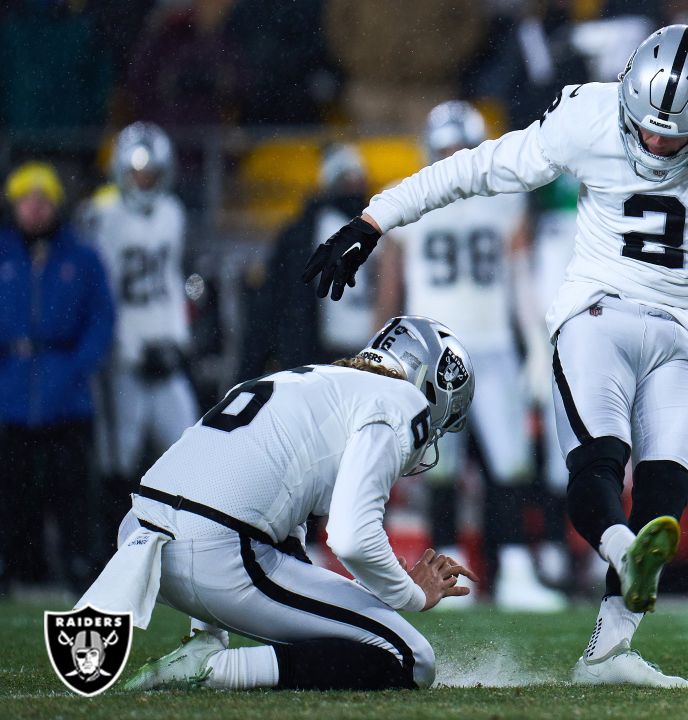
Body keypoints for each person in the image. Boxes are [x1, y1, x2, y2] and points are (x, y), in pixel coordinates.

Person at [302, 24, 688, 686]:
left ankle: (608, 652)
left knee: (665, 493)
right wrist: (375, 220)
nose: (656, 141)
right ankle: (620, 552)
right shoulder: (590, 114)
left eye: (674, 132)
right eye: (646, 125)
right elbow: (478, 167)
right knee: (598, 460)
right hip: (597, 311)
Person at [77, 316, 479, 691]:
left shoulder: (308, 379)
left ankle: (204, 641)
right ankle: (217, 669)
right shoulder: (401, 400)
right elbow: (352, 537)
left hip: (140, 539)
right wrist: (410, 593)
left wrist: (370, 590)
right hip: (218, 555)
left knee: (305, 591)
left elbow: (255, 509)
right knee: (413, 658)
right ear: (428, 389)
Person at [374, 100, 565, 612]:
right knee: (439, 468)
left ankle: (516, 569)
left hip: (494, 347)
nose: (454, 159)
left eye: (461, 149)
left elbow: (521, 281)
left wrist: (536, 344)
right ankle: (448, 573)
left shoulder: (504, 201)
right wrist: (382, 355)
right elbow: (390, 286)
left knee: (511, 462)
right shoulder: (406, 199)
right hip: (431, 352)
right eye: (446, 150)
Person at [0, 161, 115, 593]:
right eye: (25, 201)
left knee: (73, 495)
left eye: (42, 200)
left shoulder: (81, 255)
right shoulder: (4, 253)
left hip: (66, 395)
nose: (34, 209)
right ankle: (12, 569)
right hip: (10, 394)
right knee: (11, 494)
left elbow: (101, 319)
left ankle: (81, 571)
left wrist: (77, 366)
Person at [81, 123, 199, 524]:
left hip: (164, 352)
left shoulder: (173, 213)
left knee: (191, 444)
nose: (144, 181)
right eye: (137, 173)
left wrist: (177, 341)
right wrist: (127, 349)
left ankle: (187, 538)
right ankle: (111, 548)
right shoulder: (102, 215)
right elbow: (101, 292)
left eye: (151, 174)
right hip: (121, 357)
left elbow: (170, 281)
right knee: (118, 456)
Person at [239, 144, 376, 379]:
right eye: (345, 179)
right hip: (325, 352)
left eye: (356, 179)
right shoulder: (303, 233)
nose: (353, 186)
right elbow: (278, 301)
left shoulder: (380, 223)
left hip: (371, 349)